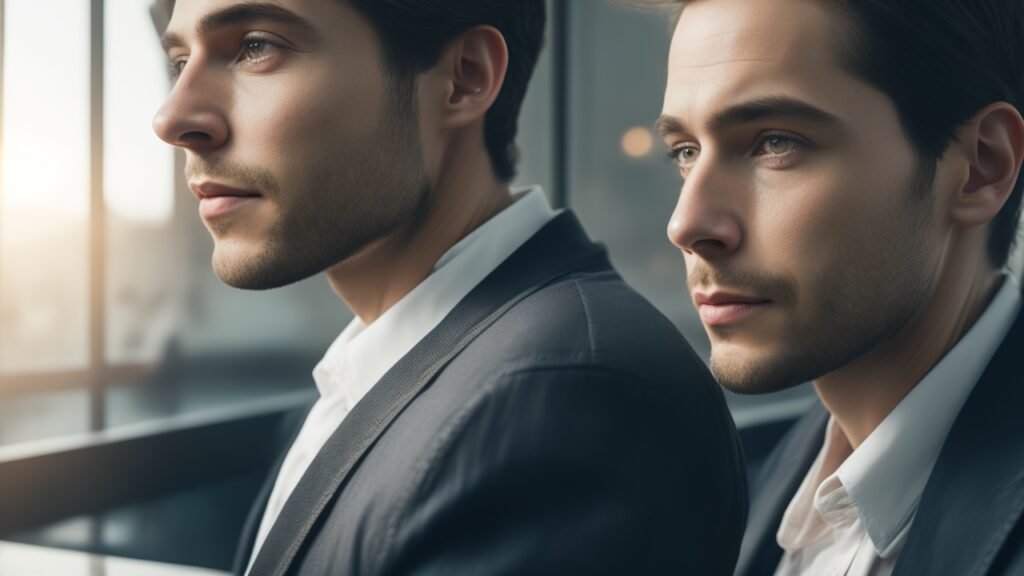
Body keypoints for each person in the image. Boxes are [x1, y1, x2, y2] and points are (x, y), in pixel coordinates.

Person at [153, 1, 747, 575]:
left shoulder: (570, 395)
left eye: (256, 47)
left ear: (464, 78)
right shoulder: (392, 371)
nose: (174, 118)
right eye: (181, 62)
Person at [655, 0, 1024, 574]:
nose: (687, 225)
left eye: (775, 142)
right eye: (685, 151)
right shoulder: (735, 486)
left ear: (981, 165)